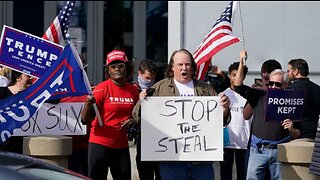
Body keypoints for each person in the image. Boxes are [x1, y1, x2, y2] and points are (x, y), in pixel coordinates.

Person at [133, 48, 231, 180]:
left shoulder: (206, 89)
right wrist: (142, 102)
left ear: (192, 67)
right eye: (180, 65)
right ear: (172, 67)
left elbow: (221, 121)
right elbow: (137, 117)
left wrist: (224, 110)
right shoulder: (159, 88)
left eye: (187, 64)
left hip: (201, 162)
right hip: (172, 162)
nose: (184, 68)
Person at [81, 49, 139, 180]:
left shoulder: (133, 91)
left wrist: (134, 121)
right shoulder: (102, 88)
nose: (117, 69)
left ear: (127, 68)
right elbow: (84, 120)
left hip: (122, 145)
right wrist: (88, 104)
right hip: (100, 143)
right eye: (113, 66)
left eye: (120, 65)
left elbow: (140, 114)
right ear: (108, 71)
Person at [238, 68, 300, 180]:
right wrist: (242, 64)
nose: (273, 87)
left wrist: (291, 129)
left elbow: (297, 134)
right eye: (271, 83)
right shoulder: (259, 95)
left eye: (277, 84)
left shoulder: (292, 101)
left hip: (280, 152)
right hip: (258, 150)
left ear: (285, 85)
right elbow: (245, 114)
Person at [219, 51, 253, 180]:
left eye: (239, 75)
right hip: (226, 142)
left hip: (244, 142)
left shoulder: (250, 93)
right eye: (233, 75)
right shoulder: (222, 94)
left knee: (243, 174)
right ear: (229, 76)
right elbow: (219, 120)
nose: (235, 78)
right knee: (225, 174)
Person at [132, 58, 161, 180]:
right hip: (141, 138)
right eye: (147, 78)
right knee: (145, 174)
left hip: (158, 139)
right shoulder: (132, 89)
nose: (149, 81)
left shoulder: (158, 89)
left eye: (152, 78)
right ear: (140, 74)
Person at [0, 70, 33, 153]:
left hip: (21, 147)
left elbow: (55, 100)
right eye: (28, 75)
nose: (31, 78)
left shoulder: (31, 96)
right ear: (18, 78)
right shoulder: (1, 93)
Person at [287, 58, 320, 140]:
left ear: (296, 71)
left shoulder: (289, 90)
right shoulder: (317, 89)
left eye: (289, 71)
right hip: (315, 134)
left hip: (297, 134)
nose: (287, 73)